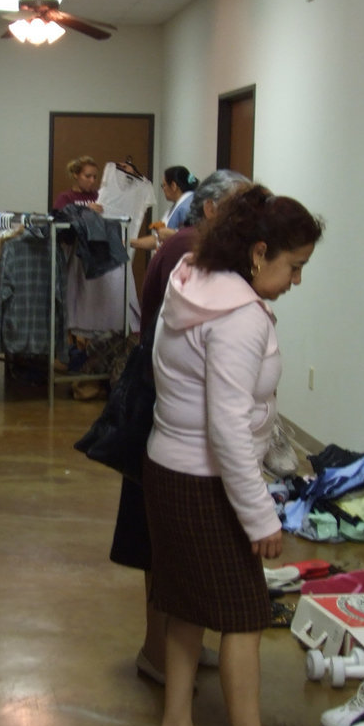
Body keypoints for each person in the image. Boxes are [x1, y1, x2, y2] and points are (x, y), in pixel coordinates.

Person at [144, 185, 332, 726]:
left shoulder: (192, 279)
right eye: (294, 266)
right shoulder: (241, 317)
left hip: (167, 466)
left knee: (184, 602)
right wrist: (260, 517)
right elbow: (227, 428)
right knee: (246, 615)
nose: (297, 280)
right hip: (205, 481)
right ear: (257, 253)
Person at [109, 171, 251, 683]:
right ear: (211, 209)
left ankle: (177, 647)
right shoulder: (189, 250)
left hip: (168, 406)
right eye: (240, 206)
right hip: (165, 411)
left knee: (176, 543)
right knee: (162, 541)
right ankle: (157, 650)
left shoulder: (187, 246)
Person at [130, 165, 199, 252]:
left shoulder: (187, 207)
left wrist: (174, 235)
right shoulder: (180, 204)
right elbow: (158, 239)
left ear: (173, 186)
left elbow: (195, 239)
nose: (163, 189)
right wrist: (131, 242)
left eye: (164, 185)